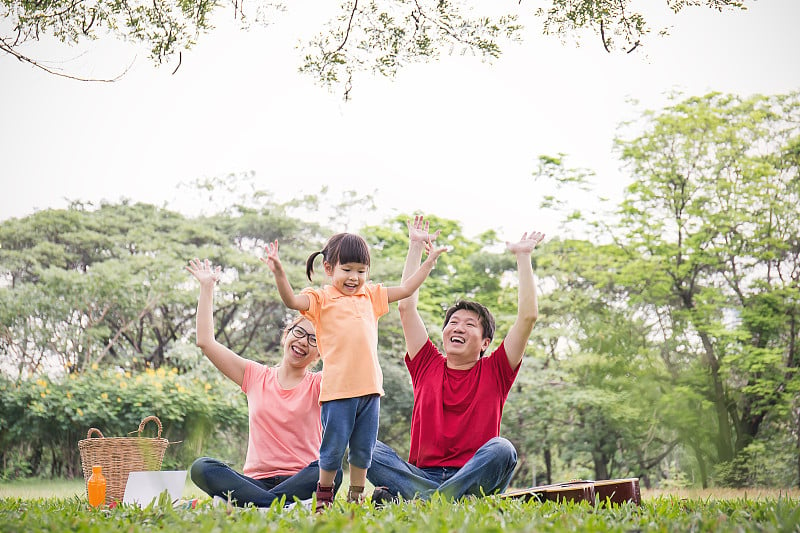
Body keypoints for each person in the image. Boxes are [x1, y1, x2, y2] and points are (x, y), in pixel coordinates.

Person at [366, 216, 546, 502]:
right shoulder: (427, 364)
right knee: (364, 445)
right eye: (454, 322)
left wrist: (523, 256)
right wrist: (415, 246)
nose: (459, 327)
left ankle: (421, 499)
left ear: (486, 343)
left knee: (503, 449)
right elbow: (405, 306)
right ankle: (444, 499)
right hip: (421, 473)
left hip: (475, 474)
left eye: (470, 324)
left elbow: (528, 317)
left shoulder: (497, 370)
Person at [261, 232, 446, 508]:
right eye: (346, 270)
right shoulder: (321, 298)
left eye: (361, 271)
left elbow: (406, 289)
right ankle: (324, 497)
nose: (354, 277)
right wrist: (279, 272)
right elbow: (292, 301)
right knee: (333, 449)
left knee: (363, 450)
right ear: (328, 268)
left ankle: (356, 495)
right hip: (338, 392)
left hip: (370, 391)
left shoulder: (370, 295)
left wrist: (429, 262)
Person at [186, 258, 342, 508]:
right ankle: (279, 505)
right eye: (299, 333)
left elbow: (351, 361)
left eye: (314, 340)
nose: (303, 342)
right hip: (255, 482)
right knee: (201, 467)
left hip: (302, 479)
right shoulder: (255, 375)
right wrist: (207, 287)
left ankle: (254, 505)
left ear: (319, 353)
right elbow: (206, 342)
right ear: (286, 335)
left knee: (332, 470)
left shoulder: (321, 383)